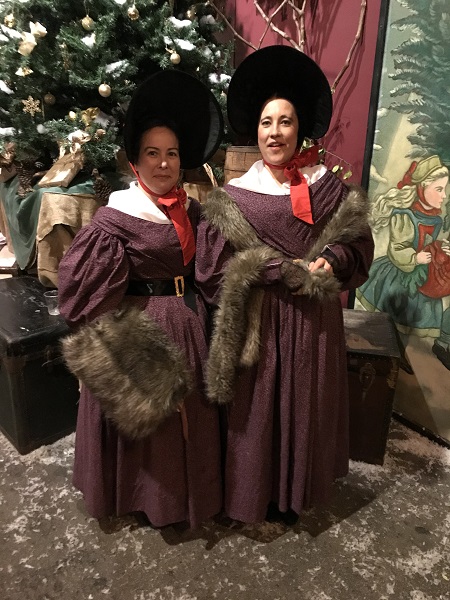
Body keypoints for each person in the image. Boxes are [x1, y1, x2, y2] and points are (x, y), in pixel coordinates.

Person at [195, 45, 374, 524]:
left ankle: (299, 492)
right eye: (266, 122)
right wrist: (275, 271)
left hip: (314, 321)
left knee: (306, 406)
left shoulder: (329, 188)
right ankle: (258, 494)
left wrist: (332, 260)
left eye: (285, 121)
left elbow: (359, 247)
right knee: (258, 411)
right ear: (255, 130)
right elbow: (212, 270)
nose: (275, 133)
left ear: (301, 128)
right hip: (261, 321)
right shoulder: (233, 197)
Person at [58, 70, 224, 528]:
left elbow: (212, 267)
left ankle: (186, 498)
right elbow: (79, 291)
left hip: (190, 323)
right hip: (144, 329)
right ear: (136, 160)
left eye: (171, 153)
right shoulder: (117, 216)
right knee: (149, 425)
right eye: (153, 153)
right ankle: (140, 497)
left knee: (187, 422)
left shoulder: (192, 208)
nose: (164, 163)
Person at [356, 155, 450, 368]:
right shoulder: (406, 216)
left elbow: (428, 242)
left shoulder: (433, 217)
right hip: (400, 273)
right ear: (423, 187)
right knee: (397, 313)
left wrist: (439, 247)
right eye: (439, 189)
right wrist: (414, 257)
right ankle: (391, 351)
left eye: (445, 189)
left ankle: (405, 351)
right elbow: (396, 248)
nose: (444, 196)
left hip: (423, 272)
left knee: (413, 317)